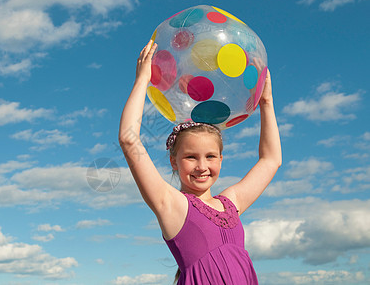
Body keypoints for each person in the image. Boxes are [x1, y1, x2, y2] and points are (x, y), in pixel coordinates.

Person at [119, 40, 282, 284]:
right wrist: (143, 79)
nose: (202, 166)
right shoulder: (172, 205)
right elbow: (129, 141)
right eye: (190, 157)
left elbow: (271, 160)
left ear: (221, 158)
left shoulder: (231, 204)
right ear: (174, 162)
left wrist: (266, 103)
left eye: (210, 156)